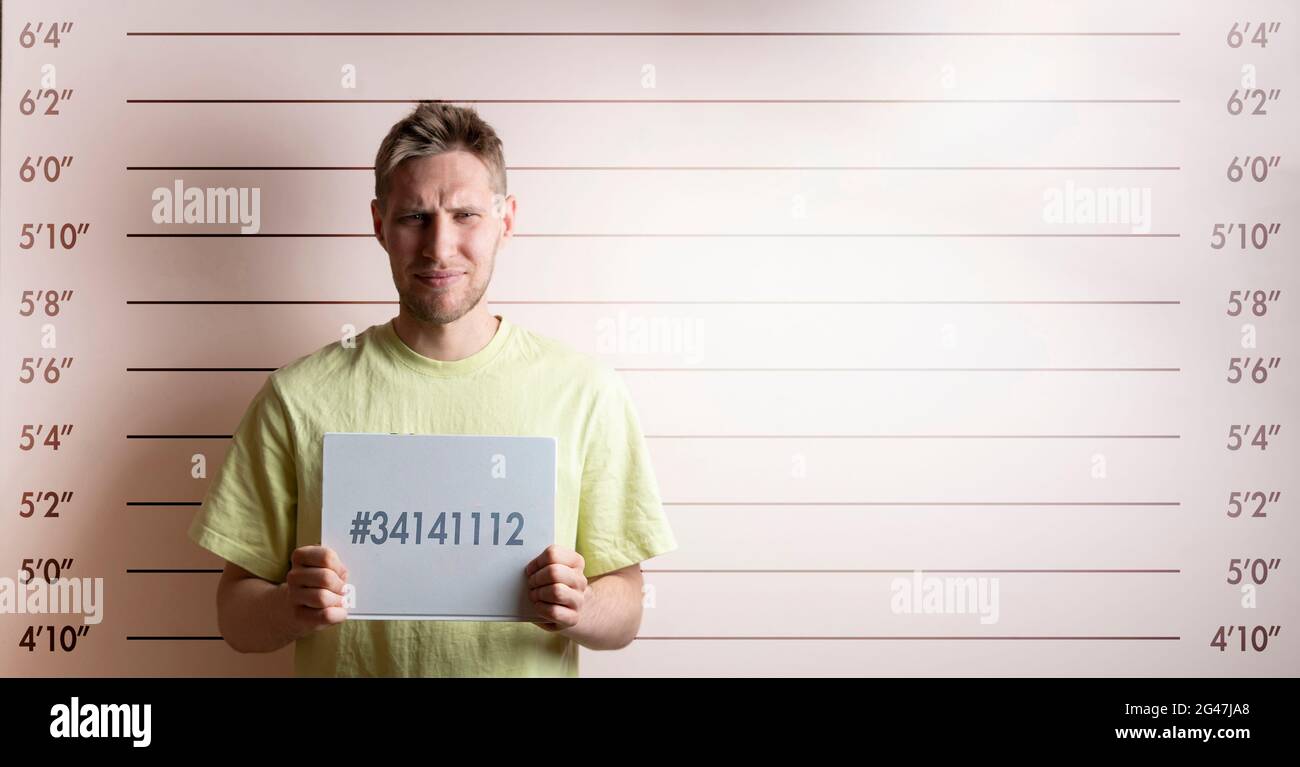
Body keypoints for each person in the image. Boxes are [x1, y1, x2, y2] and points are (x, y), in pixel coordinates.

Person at [187, 101, 677, 676]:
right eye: (414, 217)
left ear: (507, 219)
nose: (439, 248)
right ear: (379, 224)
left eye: (465, 215)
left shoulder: (586, 393)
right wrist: (289, 607)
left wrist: (582, 605)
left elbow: (626, 609)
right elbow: (236, 618)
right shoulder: (297, 397)